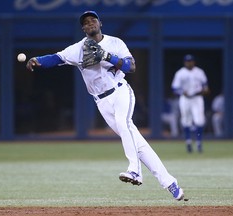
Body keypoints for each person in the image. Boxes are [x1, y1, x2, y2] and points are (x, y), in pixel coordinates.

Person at [26, 11, 184, 201]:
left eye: (93, 20)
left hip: (120, 92)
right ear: (83, 28)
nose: (90, 23)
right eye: (86, 22)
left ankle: (135, 171)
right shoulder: (77, 49)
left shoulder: (115, 42)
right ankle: (170, 183)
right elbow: (56, 58)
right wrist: (38, 61)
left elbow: (131, 66)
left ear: (100, 23)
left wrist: (108, 56)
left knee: (124, 124)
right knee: (137, 143)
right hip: (101, 102)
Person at [171, 54, 209, 153]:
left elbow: (205, 86)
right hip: (185, 98)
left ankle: (199, 143)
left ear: (194, 62)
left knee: (199, 121)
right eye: (187, 61)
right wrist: (182, 92)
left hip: (197, 97)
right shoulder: (180, 73)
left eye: (191, 61)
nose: (189, 63)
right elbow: (175, 88)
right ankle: (188, 142)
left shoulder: (199, 72)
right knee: (186, 120)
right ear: (185, 62)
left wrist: (205, 90)